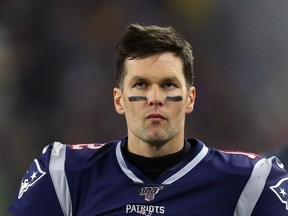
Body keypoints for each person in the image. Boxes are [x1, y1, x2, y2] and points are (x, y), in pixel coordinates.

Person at [9, 24, 288, 216]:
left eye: (168, 85)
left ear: (190, 98)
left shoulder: (251, 180)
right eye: (141, 85)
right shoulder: (64, 174)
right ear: (119, 99)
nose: (155, 98)